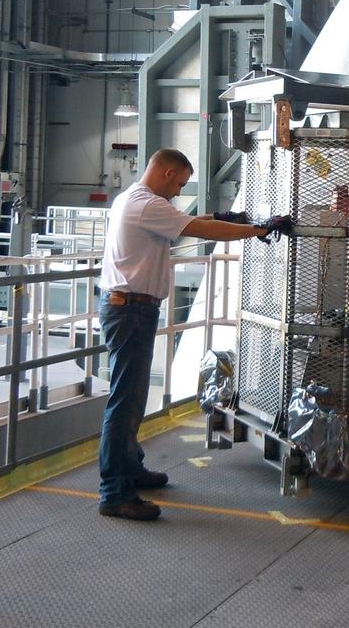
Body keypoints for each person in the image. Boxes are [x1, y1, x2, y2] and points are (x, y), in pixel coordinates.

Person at [97, 147, 291, 521]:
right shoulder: (145, 203)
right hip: (130, 310)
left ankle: (130, 469)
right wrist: (258, 230)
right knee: (124, 402)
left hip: (133, 308)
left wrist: (227, 217)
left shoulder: (138, 200)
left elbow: (190, 220)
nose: (179, 192)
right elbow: (197, 228)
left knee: (132, 398)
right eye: (181, 184)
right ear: (168, 174)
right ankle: (115, 491)